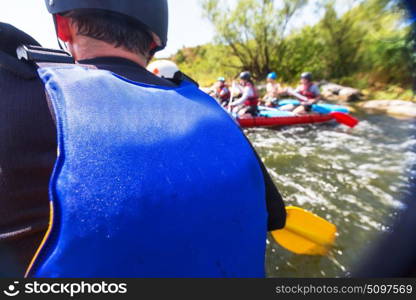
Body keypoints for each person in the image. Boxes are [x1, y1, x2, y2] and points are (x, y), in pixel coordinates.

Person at [0, 0, 286, 277]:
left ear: (62, 27)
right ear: (153, 41)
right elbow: (276, 217)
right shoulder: (217, 114)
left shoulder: (21, 99)